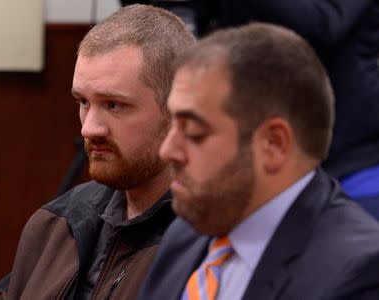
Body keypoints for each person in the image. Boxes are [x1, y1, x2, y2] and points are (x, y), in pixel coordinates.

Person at [138, 23, 379, 300]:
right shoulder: (184, 236)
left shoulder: (359, 272)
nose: (167, 151)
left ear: (273, 145)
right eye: (172, 127)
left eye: (194, 133)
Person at [0, 4, 195, 300]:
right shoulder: (54, 226)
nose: (90, 129)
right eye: (84, 103)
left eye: (113, 105)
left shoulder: (212, 244)